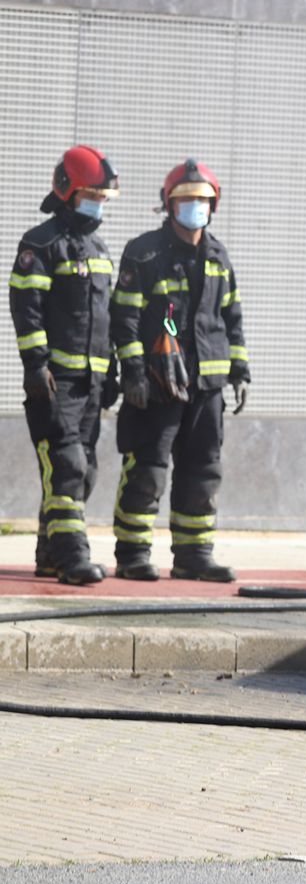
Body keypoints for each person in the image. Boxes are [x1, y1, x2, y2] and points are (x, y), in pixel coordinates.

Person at [108, 159, 250, 583]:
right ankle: (132, 553)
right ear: (168, 205)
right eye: (186, 200)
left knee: (203, 469)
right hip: (157, 384)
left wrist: (240, 370)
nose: (195, 208)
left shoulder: (219, 257)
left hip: (207, 386)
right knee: (147, 468)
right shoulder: (144, 252)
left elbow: (231, 318)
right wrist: (133, 372)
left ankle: (194, 555)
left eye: (202, 200)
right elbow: (125, 317)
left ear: (214, 206)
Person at [9, 145, 121, 585]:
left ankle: (49, 554)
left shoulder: (98, 248)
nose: (97, 205)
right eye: (91, 195)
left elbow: (108, 317)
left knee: (81, 470)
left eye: (102, 198)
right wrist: (36, 365)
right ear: (67, 191)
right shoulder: (40, 245)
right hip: (54, 384)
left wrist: (110, 373)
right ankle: (73, 559)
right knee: (68, 465)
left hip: (91, 384)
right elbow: (26, 308)